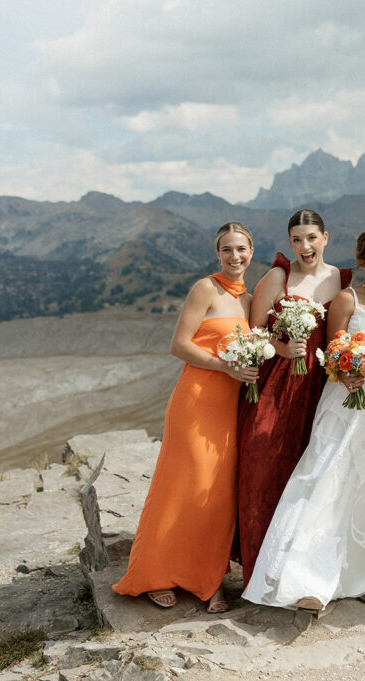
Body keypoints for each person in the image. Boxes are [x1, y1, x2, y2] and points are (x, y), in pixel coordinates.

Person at [242, 229, 365, 611]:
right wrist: (344, 371)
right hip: (344, 401)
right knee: (328, 479)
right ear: (363, 264)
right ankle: (307, 577)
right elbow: (332, 352)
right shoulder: (346, 298)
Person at [112, 222, 259, 612]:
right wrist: (224, 367)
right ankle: (156, 574)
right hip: (196, 401)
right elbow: (178, 345)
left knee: (217, 494)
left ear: (252, 250)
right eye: (226, 250)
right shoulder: (205, 289)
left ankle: (207, 580)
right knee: (183, 486)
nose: (234, 257)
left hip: (231, 406)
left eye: (241, 249)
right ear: (217, 254)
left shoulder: (251, 299)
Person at [237, 209, 352, 586]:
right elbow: (251, 333)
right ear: (290, 243)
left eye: (311, 238)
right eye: (297, 240)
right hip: (274, 389)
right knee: (261, 469)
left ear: (325, 238)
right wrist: (282, 348)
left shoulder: (341, 279)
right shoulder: (277, 277)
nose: (305, 246)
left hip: (320, 391)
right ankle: (257, 571)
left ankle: (296, 573)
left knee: (307, 481)